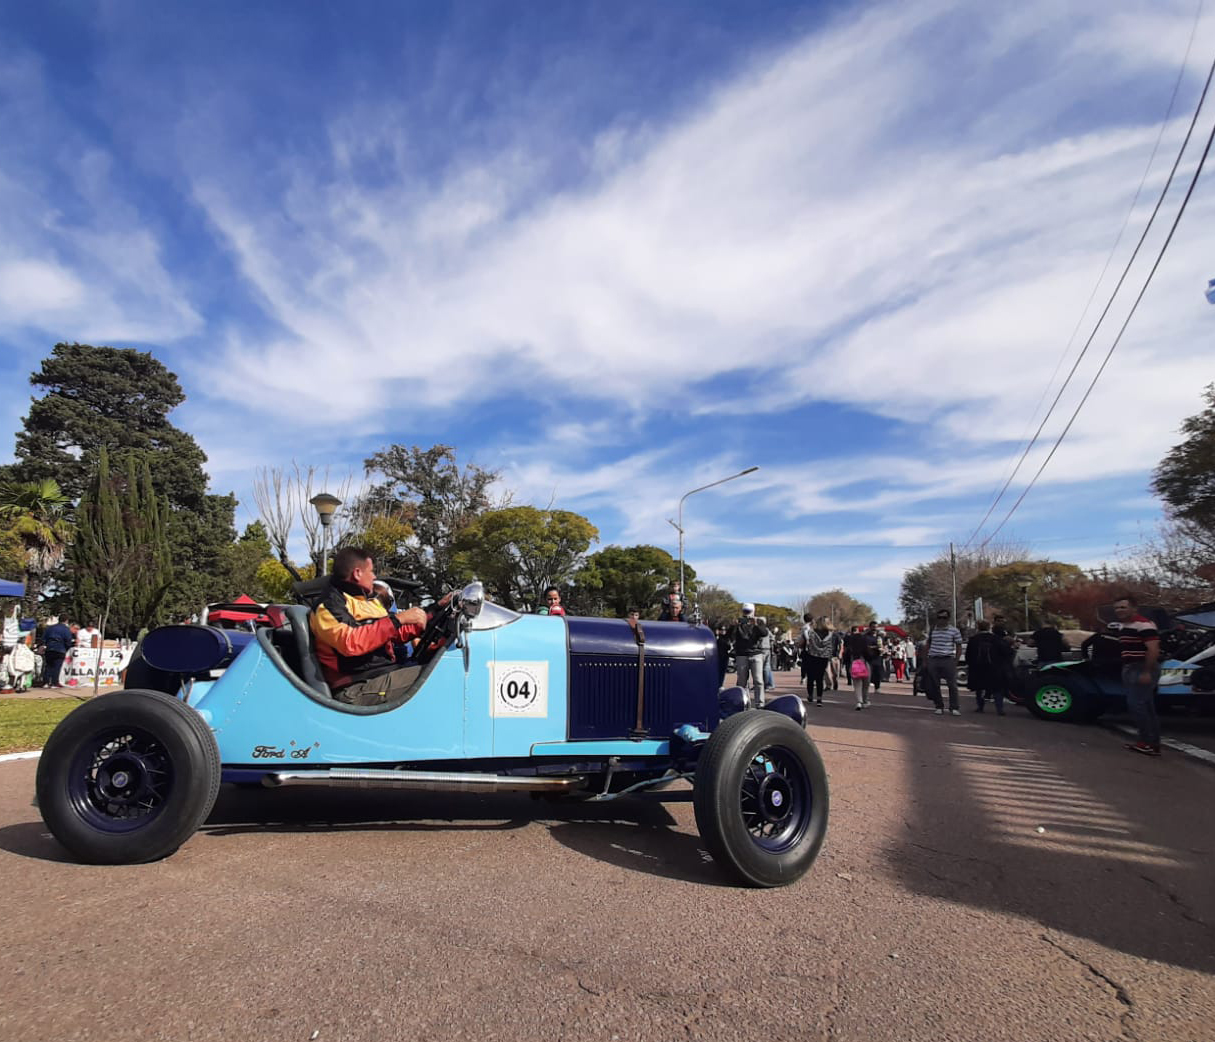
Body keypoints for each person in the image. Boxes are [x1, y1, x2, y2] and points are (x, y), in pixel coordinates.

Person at [309, 546, 431, 706]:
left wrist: (432, 613)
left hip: (380, 675)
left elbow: (395, 633)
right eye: (371, 571)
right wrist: (397, 620)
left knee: (438, 665)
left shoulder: (366, 602)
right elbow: (351, 642)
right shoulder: (327, 606)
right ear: (357, 573)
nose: (374, 577)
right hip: (354, 688)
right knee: (439, 674)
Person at [1113, 594, 1162, 756]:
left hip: (1141, 667)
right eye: (1117, 608)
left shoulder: (1144, 625)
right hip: (1129, 667)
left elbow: (1153, 650)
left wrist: (1147, 671)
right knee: (1145, 706)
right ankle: (1151, 743)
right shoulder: (1123, 626)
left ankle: (1147, 742)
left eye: (1123, 607)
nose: (1119, 610)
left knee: (1137, 705)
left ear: (1134, 608)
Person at [924, 609, 964, 715]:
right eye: (939, 617)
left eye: (944, 618)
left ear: (948, 619)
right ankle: (939, 706)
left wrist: (956, 660)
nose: (942, 620)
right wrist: (925, 659)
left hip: (948, 659)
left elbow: (958, 646)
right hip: (934, 658)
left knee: (952, 685)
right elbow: (927, 645)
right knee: (935, 684)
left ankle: (954, 707)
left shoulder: (954, 631)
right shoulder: (933, 630)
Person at [730, 604, 768, 707]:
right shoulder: (738, 622)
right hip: (741, 654)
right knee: (742, 681)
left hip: (756, 654)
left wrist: (756, 624)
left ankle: (760, 703)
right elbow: (730, 635)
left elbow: (764, 633)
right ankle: (743, 702)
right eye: (745, 611)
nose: (747, 614)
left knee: (758, 680)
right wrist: (734, 626)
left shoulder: (758, 622)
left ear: (753, 611)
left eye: (749, 611)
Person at [965, 620, 1005, 714]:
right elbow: (1005, 651)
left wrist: (970, 665)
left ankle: (980, 707)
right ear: (989, 627)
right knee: (997, 688)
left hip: (978, 668)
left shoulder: (974, 639)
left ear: (978, 627)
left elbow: (968, 655)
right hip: (994, 667)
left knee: (979, 688)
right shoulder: (995, 638)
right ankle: (999, 709)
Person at [800, 615, 833, 707]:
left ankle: (810, 695)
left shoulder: (812, 632)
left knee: (810, 677)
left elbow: (805, 643)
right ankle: (819, 698)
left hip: (812, 656)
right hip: (823, 657)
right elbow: (830, 647)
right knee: (820, 678)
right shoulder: (830, 634)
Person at [841, 626, 872, 710]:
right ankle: (865, 701)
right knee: (866, 683)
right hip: (863, 661)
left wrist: (845, 662)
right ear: (858, 630)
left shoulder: (848, 639)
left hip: (853, 661)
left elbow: (846, 652)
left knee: (857, 684)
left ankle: (859, 701)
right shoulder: (863, 638)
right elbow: (867, 652)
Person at [41, 616, 74, 689]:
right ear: (66, 621)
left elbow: (43, 638)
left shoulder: (50, 628)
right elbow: (68, 640)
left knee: (48, 666)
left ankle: (45, 682)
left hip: (49, 648)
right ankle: (54, 683)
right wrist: (67, 647)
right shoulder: (66, 629)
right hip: (60, 649)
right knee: (57, 667)